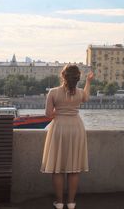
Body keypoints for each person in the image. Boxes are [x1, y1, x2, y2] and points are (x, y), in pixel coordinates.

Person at [41, 64, 94, 209]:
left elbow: (48, 114)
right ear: (77, 79)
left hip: (59, 127)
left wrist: (59, 113)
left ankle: (59, 202)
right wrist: (88, 82)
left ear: (63, 76)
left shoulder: (52, 92)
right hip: (76, 128)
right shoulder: (80, 93)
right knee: (74, 168)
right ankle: (71, 202)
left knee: (58, 167)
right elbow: (86, 97)